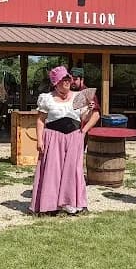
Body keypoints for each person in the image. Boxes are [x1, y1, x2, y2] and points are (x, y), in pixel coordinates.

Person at [30, 65, 98, 216]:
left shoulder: (78, 96)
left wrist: (90, 110)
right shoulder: (46, 98)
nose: (67, 82)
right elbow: (41, 120)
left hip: (73, 138)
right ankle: (49, 205)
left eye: (68, 79)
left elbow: (83, 118)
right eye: (63, 79)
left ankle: (71, 204)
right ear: (56, 82)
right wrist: (39, 140)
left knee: (72, 171)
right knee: (52, 171)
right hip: (53, 137)